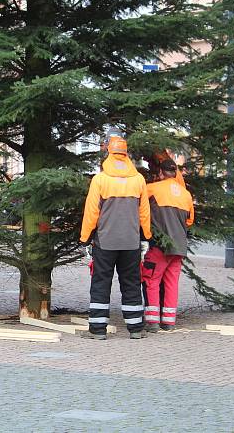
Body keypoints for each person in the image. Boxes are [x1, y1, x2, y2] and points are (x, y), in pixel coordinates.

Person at [79, 136, 152, 340]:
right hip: (131, 241)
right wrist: (146, 236)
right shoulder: (138, 180)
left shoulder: (100, 180)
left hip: (106, 241)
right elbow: (144, 213)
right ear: (126, 153)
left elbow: (91, 212)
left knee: (101, 283)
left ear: (108, 152)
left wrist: (85, 238)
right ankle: (136, 328)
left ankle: (98, 330)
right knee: (131, 282)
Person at [142, 158, 194, 332]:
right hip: (179, 246)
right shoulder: (186, 194)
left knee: (152, 280)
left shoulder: (153, 189)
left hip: (160, 245)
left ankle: (153, 322)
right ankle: (169, 322)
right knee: (172, 283)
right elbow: (190, 221)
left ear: (161, 173)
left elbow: (139, 205)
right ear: (175, 173)